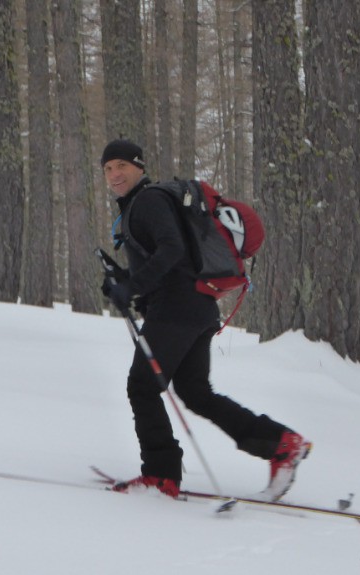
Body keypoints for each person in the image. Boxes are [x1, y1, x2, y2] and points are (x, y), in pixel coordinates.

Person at [99, 138, 311, 501]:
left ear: (140, 166)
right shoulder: (143, 205)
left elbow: (172, 250)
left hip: (177, 308)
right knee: (195, 392)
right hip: (196, 307)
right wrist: (124, 280)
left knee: (142, 386)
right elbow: (167, 258)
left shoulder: (148, 201)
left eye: (121, 165)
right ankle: (281, 444)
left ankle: (160, 475)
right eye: (108, 169)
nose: (115, 174)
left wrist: (132, 286)